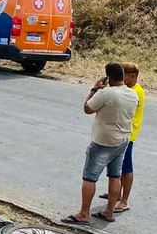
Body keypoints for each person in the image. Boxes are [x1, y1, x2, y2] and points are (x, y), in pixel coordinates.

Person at [62, 62, 138, 225]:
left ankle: (84, 213)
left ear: (108, 77)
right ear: (123, 75)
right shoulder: (133, 94)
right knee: (115, 175)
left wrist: (94, 89)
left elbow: (87, 108)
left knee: (90, 177)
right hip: (122, 140)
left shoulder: (106, 93)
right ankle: (109, 211)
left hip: (103, 141)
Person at [100, 61, 146, 213]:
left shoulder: (136, 91)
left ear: (132, 76)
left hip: (128, 134)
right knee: (117, 166)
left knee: (126, 168)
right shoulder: (129, 89)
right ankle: (117, 194)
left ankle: (124, 200)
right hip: (122, 132)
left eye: (124, 76)